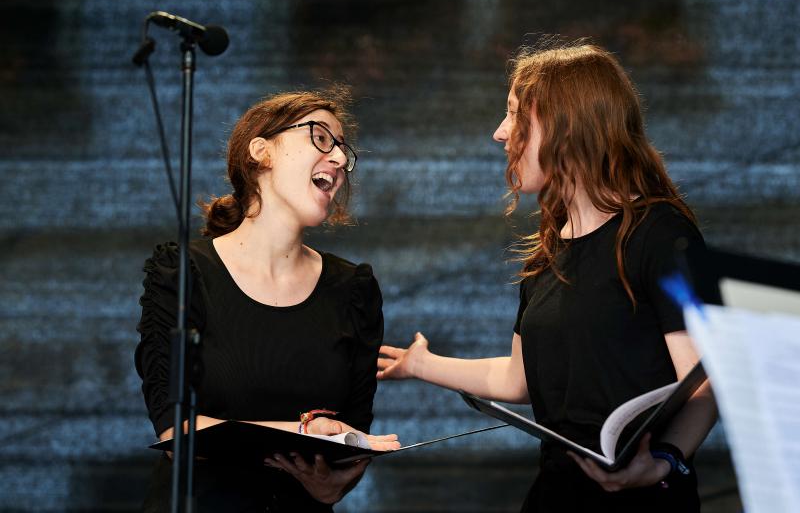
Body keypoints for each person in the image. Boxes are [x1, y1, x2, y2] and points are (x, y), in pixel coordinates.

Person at [377, 41, 717, 511]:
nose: (500, 133)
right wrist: (421, 365)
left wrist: (663, 461)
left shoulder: (661, 234)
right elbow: (518, 379)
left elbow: (703, 381)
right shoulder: (550, 249)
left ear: (568, 125)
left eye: (515, 115)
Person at [135, 88, 399, 512]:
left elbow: (352, 436)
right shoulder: (183, 273)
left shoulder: (354, 289)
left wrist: (335, 481)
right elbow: (174, 432)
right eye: (321, 138)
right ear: (261, 151)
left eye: (343, 153)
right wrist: (301, 432)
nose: (337, 160)